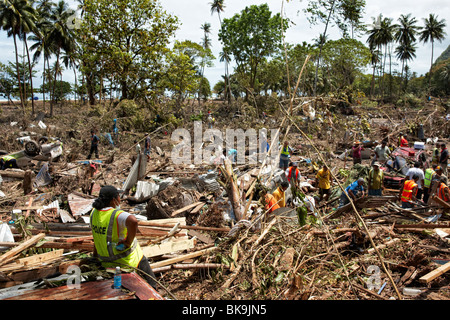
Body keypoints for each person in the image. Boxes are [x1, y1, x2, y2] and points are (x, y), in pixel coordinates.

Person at [90, 185, 157, 288]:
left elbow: (97, 236)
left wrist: (95, 257)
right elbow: (133, 221)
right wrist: (128, 242)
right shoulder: (115, 215)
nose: (120, 199)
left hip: (106, 263)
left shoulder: (93, 213)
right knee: (149, 277)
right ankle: (154, 288)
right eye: (118, 197)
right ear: (114, 200)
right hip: (126, 261)